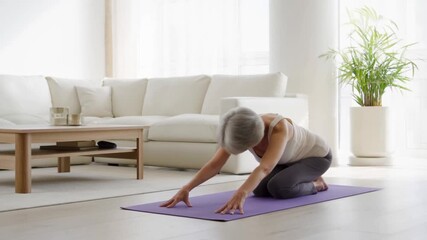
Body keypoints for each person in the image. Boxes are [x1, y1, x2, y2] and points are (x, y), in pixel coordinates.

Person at [160, 107, 332, 215]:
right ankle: (297, 177)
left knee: (279, 187)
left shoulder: (279, 128)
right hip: (286, 162)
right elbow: (215, 164)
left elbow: (265, 168)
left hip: (316, 158)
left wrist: (240, 193)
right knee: (259, 188)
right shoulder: (239, 128)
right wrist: (186, 188)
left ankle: (316, 184)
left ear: (254, 140)